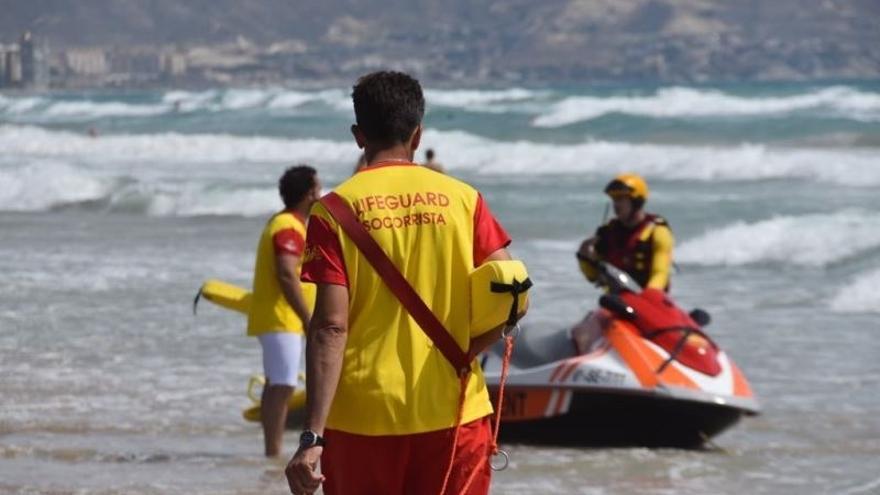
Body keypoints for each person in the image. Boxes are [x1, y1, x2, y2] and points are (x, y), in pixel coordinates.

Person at [285, 71, 523, 495]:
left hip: (363, 419)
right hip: (455, 412)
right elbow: (514, 293)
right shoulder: (464, 199)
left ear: (359, 136)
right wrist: (467, 351)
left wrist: (312, 438)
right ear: (417, 134)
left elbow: (330, 328)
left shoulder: (333, 211)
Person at [247, 165, 320, 457]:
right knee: (283, 386)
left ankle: (271, 450)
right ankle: (273, 452)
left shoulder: (285, 222)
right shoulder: (288, 226)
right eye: (317, 188)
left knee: (277, 385)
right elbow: (287, 274)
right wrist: (306, 317)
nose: (320, 194)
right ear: (308, 194)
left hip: (279, 316)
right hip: (282, 316)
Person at [571, 173, 674, 353]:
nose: (616, 205)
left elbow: (660, 273)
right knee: (579, 336)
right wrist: (584, 256)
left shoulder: (657, 232)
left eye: (621, 199)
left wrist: (646, 302)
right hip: (615, 307)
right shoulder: (607, 233)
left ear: (636, 201)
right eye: (614, 200)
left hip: (651, 308)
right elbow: (594, 276)